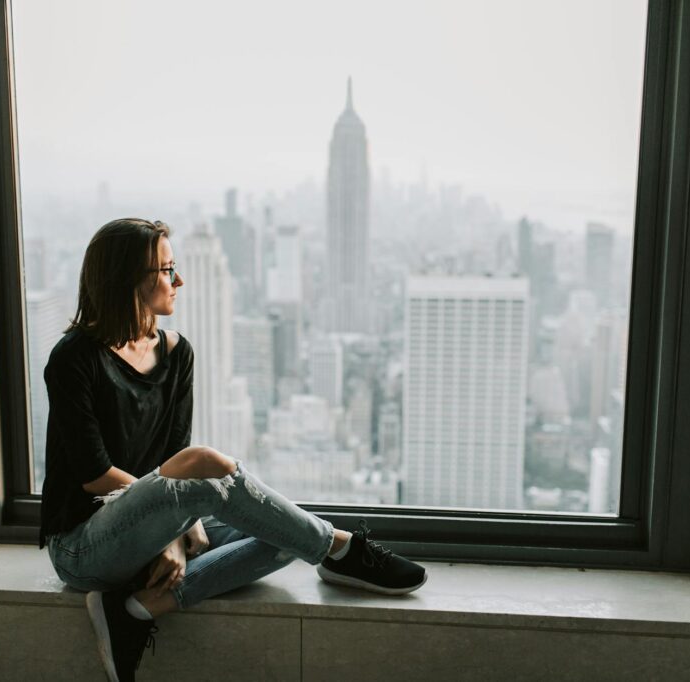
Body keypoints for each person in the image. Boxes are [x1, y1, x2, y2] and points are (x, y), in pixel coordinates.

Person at [40, 218, 427, 681]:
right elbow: (98, 475)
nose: (178, 280)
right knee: (208, 465)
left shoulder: (177, 352)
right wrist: (173, 531)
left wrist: (177, 525)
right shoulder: (73, 359)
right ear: (126, 280)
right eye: (165, 270)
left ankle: (139, 609)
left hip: (152, 522)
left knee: (281, 531)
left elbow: (170, 456)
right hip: (86, 547)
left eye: (174, 266)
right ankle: (341, 548)